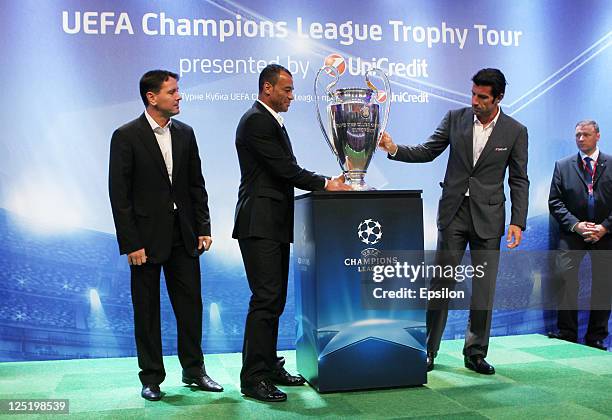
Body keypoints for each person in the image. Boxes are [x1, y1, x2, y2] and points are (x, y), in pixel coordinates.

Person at [379, 68, 529, 374]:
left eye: (482, 97)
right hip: (453, 214)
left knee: (483, 288)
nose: (475, 101)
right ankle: (429, 349)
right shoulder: (454, 118)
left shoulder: (515, 131)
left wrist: (518, 221)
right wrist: (394, 149)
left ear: (498, 98)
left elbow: (519, 180)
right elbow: (427, 151)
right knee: (440, 285)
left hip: (490, 217)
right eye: (473, 94)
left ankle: (475, 353)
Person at [233, 64, 350, 402]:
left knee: (275, 300)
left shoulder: (270, 120)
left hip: (273, 224)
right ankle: (253, 378)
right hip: (258, 223)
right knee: (266, 299)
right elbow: (284, 170)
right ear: (267, 88)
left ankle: (268, 366)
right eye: (286, 90)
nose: (291, 96)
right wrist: (326, 183)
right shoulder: (256, 120)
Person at [109, 70, 222, 401]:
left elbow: (196, 184)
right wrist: (131, 242)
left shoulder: (186, 134)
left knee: (190, 307)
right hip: (144, 240)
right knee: (146, 310)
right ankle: (151, 378)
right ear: (152, 97)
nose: (179, 96)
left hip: (184, 235)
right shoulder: (126, 135)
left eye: (178, 91)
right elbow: (120, 194)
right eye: (172, 92)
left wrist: (203, 227)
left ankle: (194, 370)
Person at [547, 120, 611, 351]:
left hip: (606, 234)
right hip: (573, 233)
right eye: (577, 135)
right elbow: (555, 202)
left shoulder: (611, 164)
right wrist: (577, 225)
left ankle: (596, 337)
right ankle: (567, 333)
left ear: (597, 136)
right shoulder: (563, 166)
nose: (581, 139)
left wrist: (604, 227)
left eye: (585, 135)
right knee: (565, 279)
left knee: (604, 284)